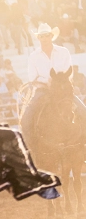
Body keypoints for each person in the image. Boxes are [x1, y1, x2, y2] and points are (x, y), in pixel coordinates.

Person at [21, 22, 84, 150]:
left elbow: (68, 72)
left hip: (62, 89)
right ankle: (30, 148)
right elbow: (33, 78)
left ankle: (83, 147)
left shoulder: (63, 52)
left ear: (51, 36)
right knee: (26, 117)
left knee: (83, 112)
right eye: (42, 36)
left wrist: (57, 82)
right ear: (39, 38)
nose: (44, 39)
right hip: (43, 90)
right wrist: (48, 81)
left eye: (47, 36)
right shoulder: (33, 56)